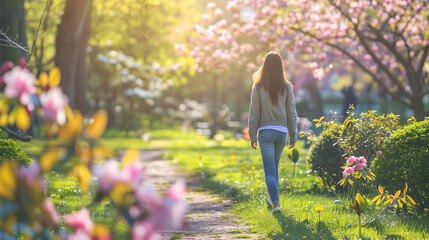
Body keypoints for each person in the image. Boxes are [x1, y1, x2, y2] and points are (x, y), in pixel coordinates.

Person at [248, 51, 298, 213]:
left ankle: (276, 204)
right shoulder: (286, 87)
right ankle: (274, 201)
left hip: (265, 133)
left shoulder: (259, 86)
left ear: (265, 66)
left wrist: (252, 133)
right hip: (281, 133)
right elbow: (292, 113)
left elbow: (254, 112)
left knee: (269, 170)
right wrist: (293, 135)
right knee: (274, 168)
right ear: (280, 66)